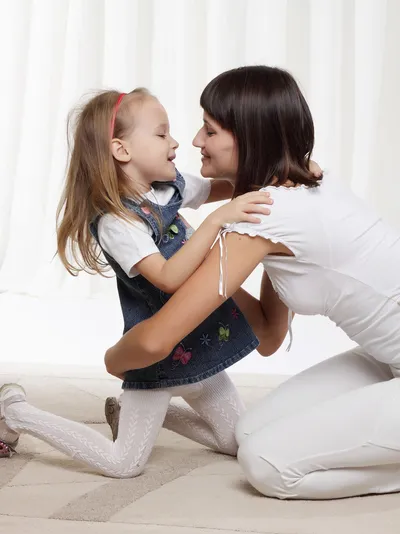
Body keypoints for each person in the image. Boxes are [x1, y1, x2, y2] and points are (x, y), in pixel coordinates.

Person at [102, 65, 400, 501]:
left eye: (210, 130)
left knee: (266, 463)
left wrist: (114, 361)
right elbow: (268, 335)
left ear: (250, 137)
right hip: (384, 360)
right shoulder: (305, 176)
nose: (195, 141)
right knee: (249, 430)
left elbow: (153, 344)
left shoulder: (260, 220)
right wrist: (204, 258)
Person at [0, 87, 274, 471]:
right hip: (158, 359)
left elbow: (226, 187)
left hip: (203, 341)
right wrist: (216, 220)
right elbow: (168, 278)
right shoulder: (117, 222)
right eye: (162, 134)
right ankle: (16, 412)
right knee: (124, 464)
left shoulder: (170, 185)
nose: (176, 142)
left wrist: (280, 176)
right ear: (122, 150)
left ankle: (122, 410)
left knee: (236, 441)